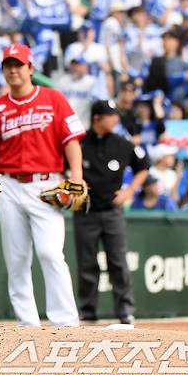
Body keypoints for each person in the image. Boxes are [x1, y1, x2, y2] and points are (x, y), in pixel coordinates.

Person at [0, 43, 85, 327]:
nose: (13, 70)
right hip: (8, 186)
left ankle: (65, 321)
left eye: (18, 65)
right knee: (17, 259)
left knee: (50, 253)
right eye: (8, 66)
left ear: (31, 68)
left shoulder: (53, 98)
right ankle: (27, 324)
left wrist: (76, 175)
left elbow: (71, 141)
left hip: (46, 185)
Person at [74, 100, 150, 326]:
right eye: (111, 115)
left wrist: (129, 191)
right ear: (97, 118)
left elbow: (143, 167)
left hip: (112, 212)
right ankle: (88, 311)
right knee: (87, 263)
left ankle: (125, 311)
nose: (116, 119)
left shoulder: (122, 144)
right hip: (85, 211)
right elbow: (61, 167)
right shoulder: (78, 143)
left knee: (118, 262)